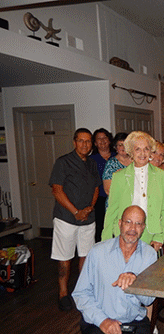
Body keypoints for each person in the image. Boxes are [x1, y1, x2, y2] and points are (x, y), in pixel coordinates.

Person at [73, 205, 157, 334]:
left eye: (138, 223)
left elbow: (148, 300)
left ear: (143, 228)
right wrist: (102, 321)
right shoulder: (97, 252)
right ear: (120, 224)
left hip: (134, 322)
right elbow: (81, 293)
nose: (132, 228)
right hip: (99, 322)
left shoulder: (149, 255)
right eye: (128, 222)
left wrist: (137, 283)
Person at [49, 128, 101, 311]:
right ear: (74, 142)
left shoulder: (92, 164)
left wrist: (89, 208)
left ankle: (83, 290)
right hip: (66, 219)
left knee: (86, 256)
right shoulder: (63, 162)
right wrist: (75, 211)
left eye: (88, 141)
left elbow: (96, 188)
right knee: (64, 258)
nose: (85, 145)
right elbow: (57, 190)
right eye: (81, 141)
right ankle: (63, 293)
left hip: (88, 218)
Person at [102, 131, 164, 252]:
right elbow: (111, 211)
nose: (142, 153)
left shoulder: (161, 175)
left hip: (151, 234)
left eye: (146, 149)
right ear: (131, 152)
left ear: (150, 152)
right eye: (138, 149)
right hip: (124, 235)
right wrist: (106, 240)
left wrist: (160, 237)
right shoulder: (119, 177)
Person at [90, 128, 115, 242]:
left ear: (109, 140)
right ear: (95, 143)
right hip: (99, 199)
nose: (102, 141)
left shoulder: (118, 156)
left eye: (105, 137)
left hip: (116, 198)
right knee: (100, 229)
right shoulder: (91, 160)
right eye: (99, 139)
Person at [103, 132, 132, 198]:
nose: (123, 147)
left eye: (125, 144)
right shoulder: (111, 164)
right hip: (117, 200)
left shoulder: (136, 161)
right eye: (120, 145)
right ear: (116, 147)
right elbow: (107, 190)